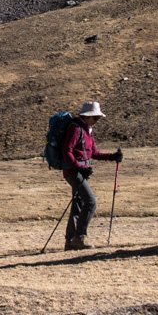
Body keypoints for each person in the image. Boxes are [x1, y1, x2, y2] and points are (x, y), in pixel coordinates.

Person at [61, 101, 123, 251]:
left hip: (79, 171)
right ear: (86, 116)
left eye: (98, 118)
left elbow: (93, 153)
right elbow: (66, 152)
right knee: (90, 202)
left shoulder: (87, 130)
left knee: (78, 204)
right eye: (95, 118)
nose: (96, 121)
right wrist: (80, 167)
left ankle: (70, 242)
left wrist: (112, 156)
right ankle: (79, 238)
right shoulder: (76, 129)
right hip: (73, 172)